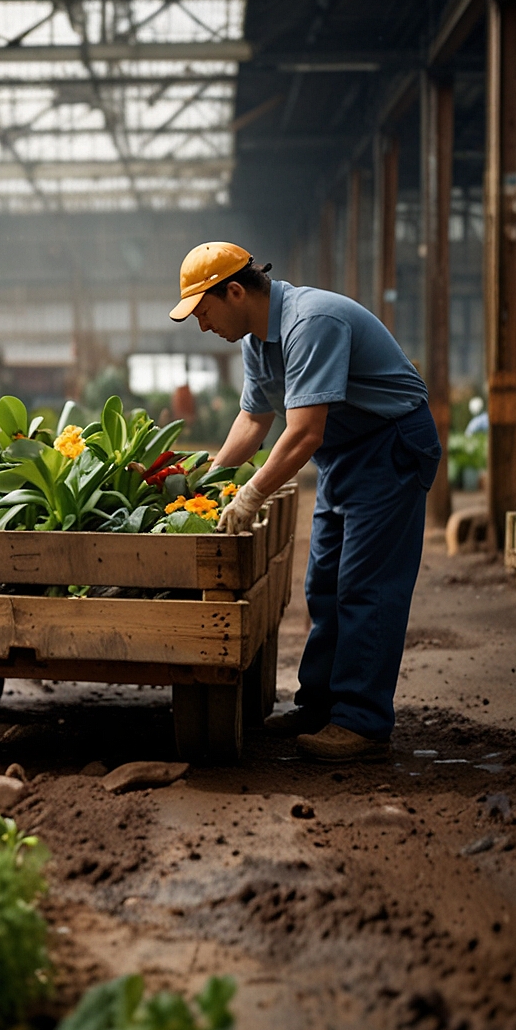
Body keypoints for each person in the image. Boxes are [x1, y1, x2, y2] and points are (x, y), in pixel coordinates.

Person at [170, 242, 441, 763]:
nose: (203, 326)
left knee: (365, 585)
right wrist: (202, 482)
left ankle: (361, 722)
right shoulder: (258, 340)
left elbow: (304, 433)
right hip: (345, 454)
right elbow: (253, 421)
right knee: (324, 584)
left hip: (389, 447)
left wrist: (251, 495)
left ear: (234, 292)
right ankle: (320, 706)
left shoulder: (310, 323)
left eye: (204, 313)